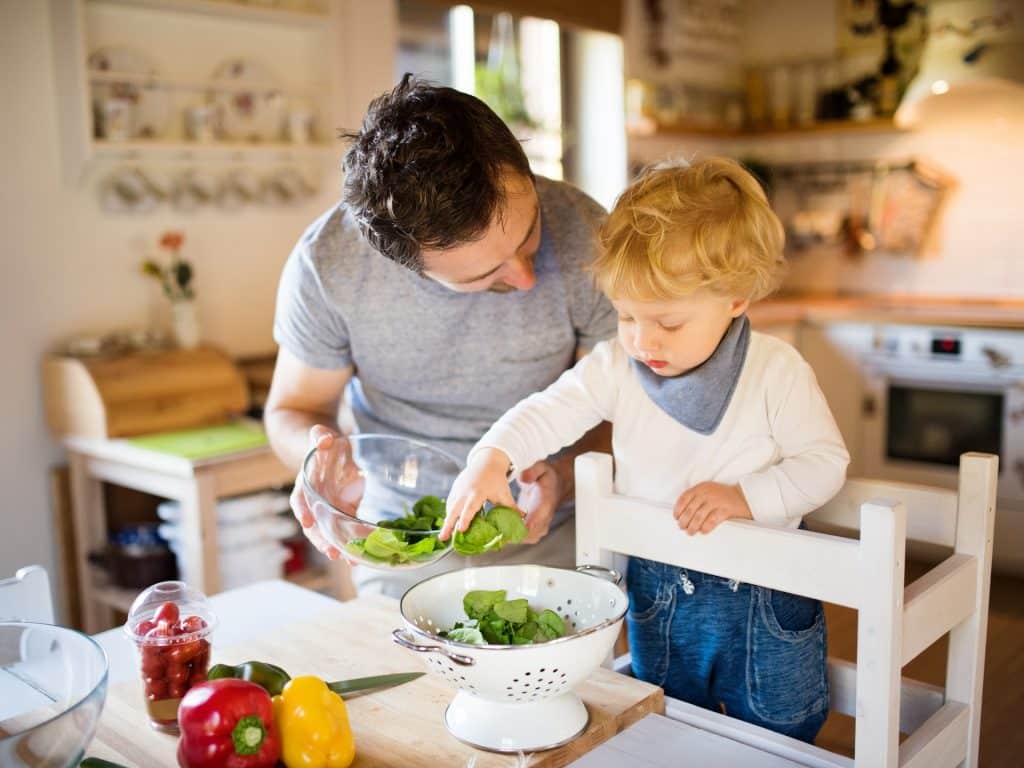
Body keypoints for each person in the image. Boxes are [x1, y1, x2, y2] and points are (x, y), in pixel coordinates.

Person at [441, 157, 850, 743]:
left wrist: (745, 497)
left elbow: (825, 464)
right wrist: (493, 457)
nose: (642, 339)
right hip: (660, 591)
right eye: (627, 315)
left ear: (734, 297)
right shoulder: (617, 366)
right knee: (668, 724)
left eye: (667, 321)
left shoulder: (776, 371)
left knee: (781, 732)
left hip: (762, 597)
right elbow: (549, 410)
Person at [264, 74, 615, 597]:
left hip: (558, 530)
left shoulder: (588, 233)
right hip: (402, 540)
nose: (526, 278)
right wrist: (319, 461)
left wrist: (563, 477)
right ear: (404, 264)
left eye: (529, 233)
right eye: (483, 277)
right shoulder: (330, 263)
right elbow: (293, 408)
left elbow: (624, 401)